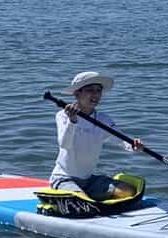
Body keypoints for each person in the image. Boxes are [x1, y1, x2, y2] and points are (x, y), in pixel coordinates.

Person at [52, 71, 142, 200]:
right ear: (77, 93)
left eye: (98, 90)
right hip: (64, 178)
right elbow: (64, 144)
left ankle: (90, 197)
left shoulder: (103, 119)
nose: (95, 95)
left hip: (89, 180)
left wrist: (134, 146)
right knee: (82, 202)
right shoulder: (63, 115)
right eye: (90, 90)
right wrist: (72, 121)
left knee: (128, 192)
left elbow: (121, 139)